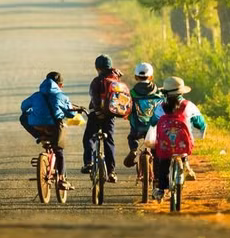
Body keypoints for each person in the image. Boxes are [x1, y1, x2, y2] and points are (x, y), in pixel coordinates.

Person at [149, 76, 207, 201]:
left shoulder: (161, 107)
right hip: (183, 144)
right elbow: (200, 123)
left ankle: (160, 189)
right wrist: (201, 131)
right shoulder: (188, 106)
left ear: (165, 92)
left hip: (165, 145)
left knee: (163, 161)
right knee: (183, 148)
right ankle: (185, 163)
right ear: (181, 92)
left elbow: (152, 122)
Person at [20, 71, 79, 189]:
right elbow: (71, 115)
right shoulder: (61, 96)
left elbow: (23, 106)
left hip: (36, 126)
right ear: (60, 85)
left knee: (23, 117)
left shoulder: (36, 95)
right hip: (53, 128)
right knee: (59, 151)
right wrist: (74, 110)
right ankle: (61, 179)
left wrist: (34, 113)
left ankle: (39, 136)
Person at [81, 54, 125, 182]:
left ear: (97, 68)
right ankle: (111, 171)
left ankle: (88, 162)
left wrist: (98, 111)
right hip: (111, 115)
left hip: (96, 114)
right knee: (109, 141)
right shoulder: (116, 79)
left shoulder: (96, 81)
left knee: (89, 137)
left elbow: (94, 97)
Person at [122, 62, 164, 168]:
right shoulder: (159, 94)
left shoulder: (132, 93)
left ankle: (134, 149)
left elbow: (126, 108)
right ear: (151, 77)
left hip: (138, 127)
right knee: (156, 150)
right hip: (154, 128)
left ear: (136, 77)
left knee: (132, 138)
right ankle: (158, 175)